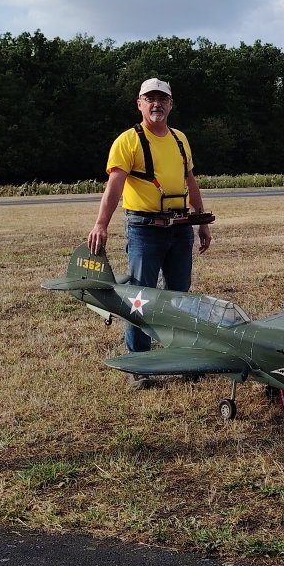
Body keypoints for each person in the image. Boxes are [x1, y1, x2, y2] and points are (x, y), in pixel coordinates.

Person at [88, 78, 212, 358]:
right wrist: (101, 224)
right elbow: (114, 187)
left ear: (171, 104)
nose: (157, 104)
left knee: (179, 295)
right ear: (139, 104)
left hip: (181, 228)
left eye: (162, 99)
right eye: (150, 99)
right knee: (140, 298)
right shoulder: (128, 141)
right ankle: (139, 360)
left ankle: (179, 354)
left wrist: (201, 220)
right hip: (144, 230)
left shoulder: (180, 139)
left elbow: (190, 181)